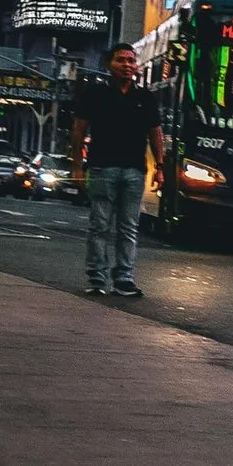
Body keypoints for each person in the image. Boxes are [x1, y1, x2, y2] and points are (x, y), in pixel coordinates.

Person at [71, 42, 158, 301]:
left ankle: (124, 279)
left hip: (134, 171)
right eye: (121, 60)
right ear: (109, 64)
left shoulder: (145, 98)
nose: (127, 66)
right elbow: (78, 130)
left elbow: (156, 133)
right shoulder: (95, 94)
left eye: (131, 61)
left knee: (129, 228)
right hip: (102, 168)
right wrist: (76, 166)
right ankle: (97, 278)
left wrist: (161, 167)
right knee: (100, 226)